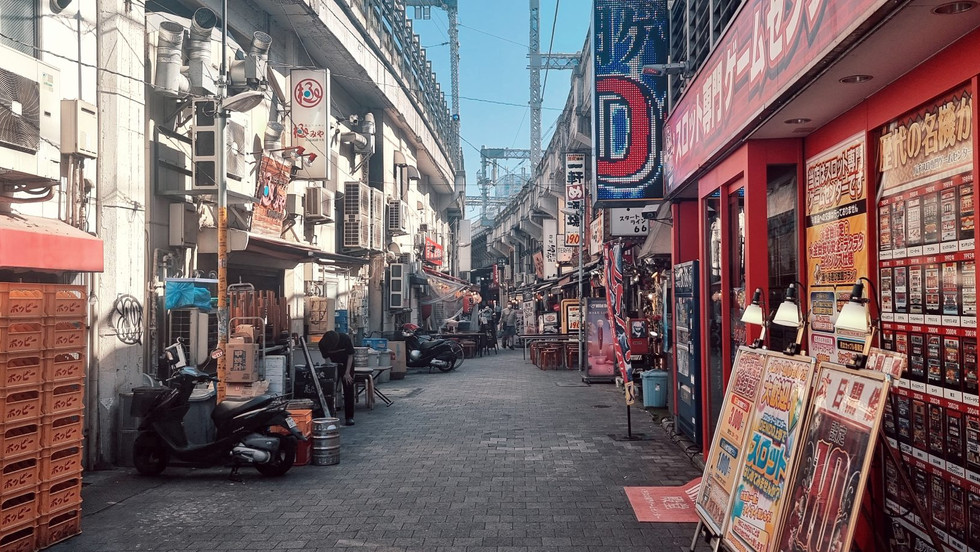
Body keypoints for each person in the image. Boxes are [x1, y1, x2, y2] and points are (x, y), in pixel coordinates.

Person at [318, 330, 356, 426]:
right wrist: (331, 370)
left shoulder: (345, 338)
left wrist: (347, 373)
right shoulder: (322, 344)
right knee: (329, 390)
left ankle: (349, 417)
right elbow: (327, 359)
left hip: (347, 363)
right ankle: (329, 415)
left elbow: (350, 355)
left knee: (348, 387)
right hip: (333, 364)